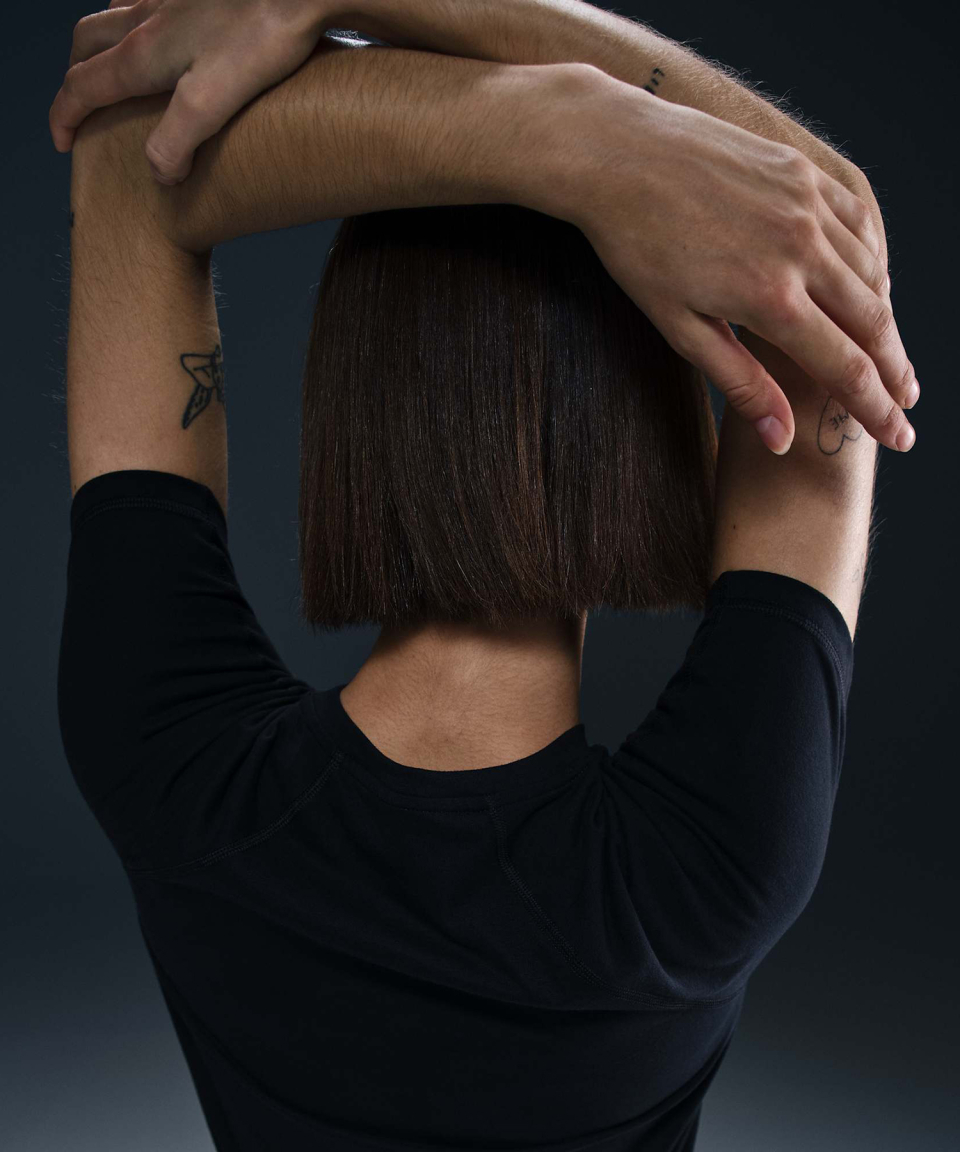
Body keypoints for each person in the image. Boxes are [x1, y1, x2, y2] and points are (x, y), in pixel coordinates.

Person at [54, 3, 918, 1150]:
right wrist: (576, 126)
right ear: (655, 440)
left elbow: (129, 155)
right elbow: (832, 224)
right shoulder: (709, 872)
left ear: (343, 399)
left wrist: (552, 137)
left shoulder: (171, 764)